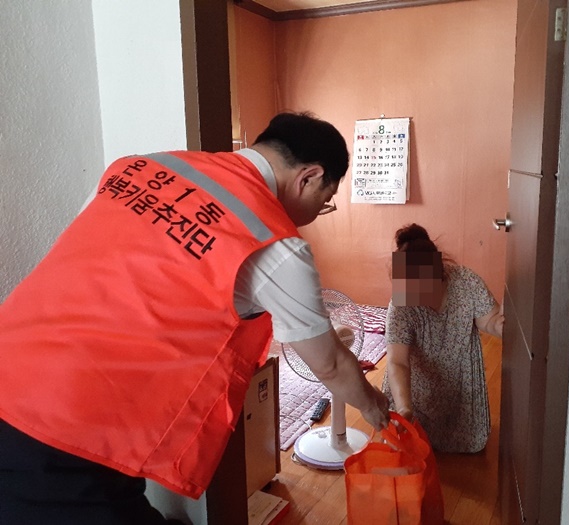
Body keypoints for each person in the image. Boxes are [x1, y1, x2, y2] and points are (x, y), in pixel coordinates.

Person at [0, 111, 389, 524]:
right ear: (309, 177)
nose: (316, 212)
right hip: (62, 427)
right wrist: (377, 408)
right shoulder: (273, 242)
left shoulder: (135, 169)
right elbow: (329, 364)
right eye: (324, 202)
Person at [381, 223, 504, 453]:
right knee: (409, 444)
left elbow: (490, 320)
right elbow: (397, 362)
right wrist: (404, 409)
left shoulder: (466, 283)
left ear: (440, 275)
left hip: (460, 388)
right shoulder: (401, 303)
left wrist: (501, 324)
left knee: (468, 446)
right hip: (415, 392)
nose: (415, 298)